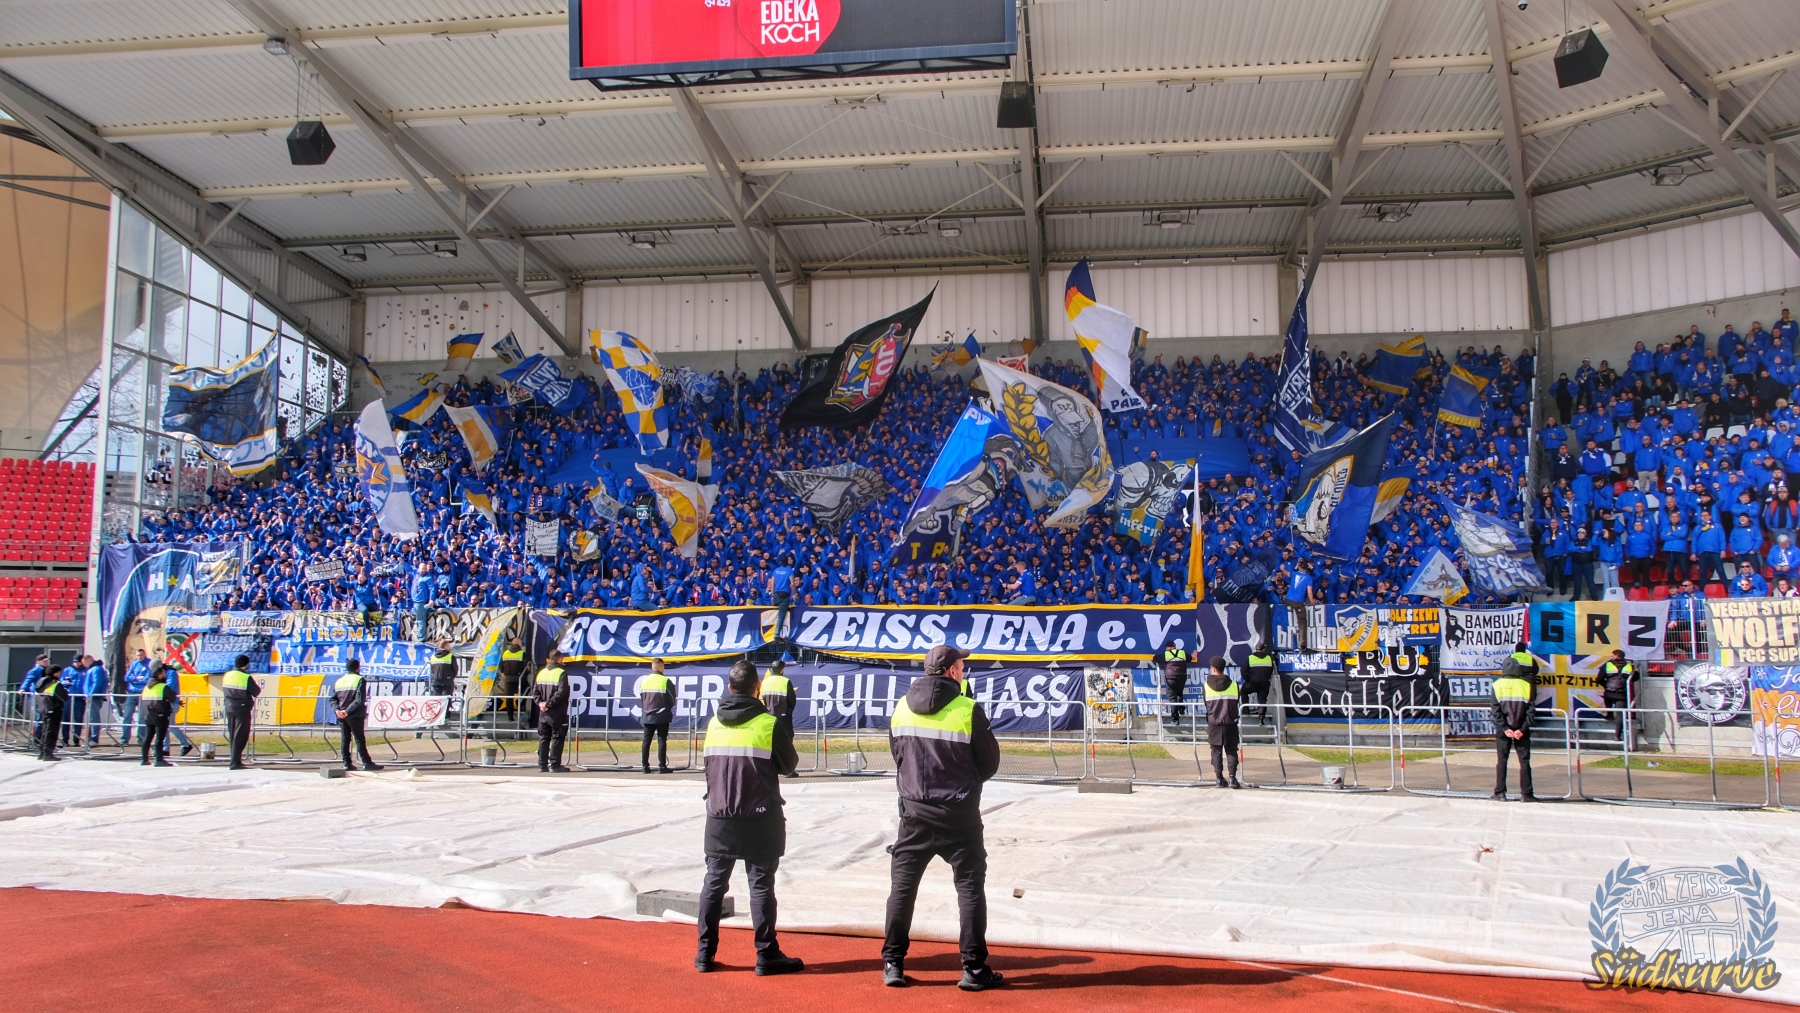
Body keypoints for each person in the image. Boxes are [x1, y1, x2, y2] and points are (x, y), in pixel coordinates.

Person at [882, 645, 1004, 992]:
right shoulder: (967, 709)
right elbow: (990, 763)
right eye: (962, 667)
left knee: (902, 889)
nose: (964, 672)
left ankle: (893, 962)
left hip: (914, 814)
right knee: (969, 889)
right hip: (959, 817)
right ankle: (973, 967)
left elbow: (898, 755)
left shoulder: (902, 706)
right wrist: (965, 785)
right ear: (952, 672)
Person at [694, 659, 804, 976]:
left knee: (714, 884)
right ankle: (766, 954)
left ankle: (704, 954)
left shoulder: (713, 724)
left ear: (730, 688)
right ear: (758, 688)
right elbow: (789, 765)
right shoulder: (769, 724)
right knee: (761, 886)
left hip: (720, 816)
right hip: (760, 816)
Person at [1493, 643, 1538, 801]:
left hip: (1503, 730)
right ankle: (1526, 794)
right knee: (1524, 762)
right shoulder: (1527, 686)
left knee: (1502, 761)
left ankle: (1500, 793)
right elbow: (1531, 711)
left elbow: (1495, 710)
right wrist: (1522, 729)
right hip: (1521, 729)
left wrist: (1505, 728)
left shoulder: (1496, 685)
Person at [331, 660, 383, 771]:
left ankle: (346, 763)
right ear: (357, 668)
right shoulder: (359, 679)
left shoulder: (339, 681)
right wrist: (347, 711)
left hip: (342, 715)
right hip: (354, 714)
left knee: (345, 739)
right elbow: (359, 700)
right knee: (359, 740)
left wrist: (337, 710)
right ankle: (366, 762)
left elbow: (333, 699)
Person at [1202, 657, 1243, 788]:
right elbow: (1236, 701)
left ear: (1213, 669)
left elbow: (1206, 704)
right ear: (1223, 668)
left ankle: (1219, 779)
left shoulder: (1206, 686)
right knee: (1231, 750)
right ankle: (1232, 779)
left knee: (1216, 751)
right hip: (1230, 722)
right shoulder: (1234, 685)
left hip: (1214, 723)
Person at [220, 654, 262, 769]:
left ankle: (235, 760)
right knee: (240, 735)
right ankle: (235, 762)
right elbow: (256, 691)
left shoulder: (227, 675)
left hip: (229, 706)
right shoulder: (245, 677)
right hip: (242, 707)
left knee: (233, 734)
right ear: (246, 664)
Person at [534, 649, 571, 773]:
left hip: (543, 712)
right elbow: (561, 693)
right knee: (557, 738)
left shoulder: (541, 673)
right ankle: (555, 765)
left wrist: (541, 703)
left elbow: (535, 691)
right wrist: (549, 704)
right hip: (557, 712)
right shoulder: (561, 673)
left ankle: (542, 765)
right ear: (559, 659)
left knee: (544, 738)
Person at [138, 664, 180, 767]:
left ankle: (144, 760)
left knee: (148, 737)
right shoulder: (163, 687)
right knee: (159, 738)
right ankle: (159, 760)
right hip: (160, 715)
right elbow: (173, 698)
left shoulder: (146, 688)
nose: (165, 675)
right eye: (164, 673)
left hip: (148, 716)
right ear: (160, 675)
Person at [1598, 649, 1639, 747]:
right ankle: (1617, 736)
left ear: (1616, 656)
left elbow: (1599, 679)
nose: (1611, 657)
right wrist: (1637, 672)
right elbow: (1635, 678)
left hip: (1609, 693)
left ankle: (1609, 715)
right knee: (1620, 716)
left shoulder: (1607, 665)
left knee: (1607, 698)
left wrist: (1606, 686)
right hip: (1622, 694)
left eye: (1612, 655)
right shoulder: (1629, 666)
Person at [640, 659, 674, 774]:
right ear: (662, 667)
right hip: (662, 714)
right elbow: (672, 699)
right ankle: (662, 766)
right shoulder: (665, 680)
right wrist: (666, 707)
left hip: (647, 714)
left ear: (652, 667)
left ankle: (645, 766)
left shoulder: (644, 680)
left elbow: (642, 698)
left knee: (646, 740)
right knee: (662, 740)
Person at [121, 649, 153, 746]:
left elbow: (147, 679)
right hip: (132, 693)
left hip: (142, 693)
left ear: (144, 654)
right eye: (138, 655)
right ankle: (124, 739)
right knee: (127, 716)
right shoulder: (134, 663)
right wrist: (136, 678)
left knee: (141, 717)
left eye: (141, 655)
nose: (139, 657)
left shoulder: (149, 663)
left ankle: (141, 739)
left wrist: (134, 680)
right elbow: (126, 677)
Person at [35, 664, 67, 761]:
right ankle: (48, 754)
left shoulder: (41, 682)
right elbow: (64, 697)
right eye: (59, 672)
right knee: (51, 732)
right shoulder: (54, 683)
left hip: (44, 708)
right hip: (54, 709)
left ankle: (42, 753)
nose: (60, 674)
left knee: (45, 731)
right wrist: (66, 687)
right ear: (55, 673)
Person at [1158, 638, 1190, 726]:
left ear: (1168, 647)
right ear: (1174, 646)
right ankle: (1181, 709)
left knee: (1172, 698)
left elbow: (1155, 658)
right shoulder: (1182, 652)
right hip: (1182, 677)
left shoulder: (1166, 654)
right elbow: (1190, 658)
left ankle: (1175, 719)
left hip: (1171, 679)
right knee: (1179, 694)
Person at [1243, 642, 1275, 724]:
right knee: (1262, 700)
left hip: (1253, 683)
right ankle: (1261, 718)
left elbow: (1243, 670)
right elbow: (1271, 670)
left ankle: (1246, 709)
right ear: (1264, 649)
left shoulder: (1250, 657)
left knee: (1243, 691)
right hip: (1265, 683)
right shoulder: (1269, 658)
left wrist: (1247, 680)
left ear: (1256, 649)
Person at [767, 555, 796, 639]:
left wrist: (772, 595)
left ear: (780, 562)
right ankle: (776, 634)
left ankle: (769, 632)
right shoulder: (789, 570)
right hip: (785, 595)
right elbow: (792, 584)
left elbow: (772, 584)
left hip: (776, 594)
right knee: (781, 616)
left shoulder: (776, 570)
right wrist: (794, 593)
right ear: (787, 561)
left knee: (774, 613)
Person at [498, 636, 526, 719]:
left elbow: (501, 667)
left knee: (509, 696)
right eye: (521, 643)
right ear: (518, 644)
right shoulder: (522, 653)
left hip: (508, 678)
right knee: (527, 690)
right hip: (519, 678)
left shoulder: (506, 653)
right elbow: (525, 666)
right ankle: (521, 706)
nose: (522, 644)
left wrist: (504, 675)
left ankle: (510, 715)